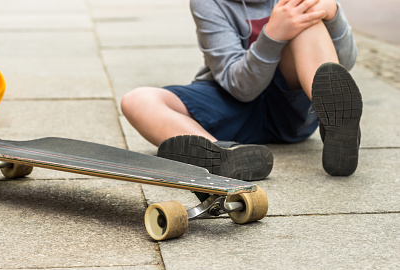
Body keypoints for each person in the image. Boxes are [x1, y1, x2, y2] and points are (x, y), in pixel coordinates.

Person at [120, 0, 362, 180]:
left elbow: (343, 65)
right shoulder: (208, 3)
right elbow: (241, 89)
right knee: (137, 100)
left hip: (291, 105)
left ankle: (336, 127)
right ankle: (222, 155)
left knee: (307, 21)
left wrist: (334, 16)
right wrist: (272, 35)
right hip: (232, 100)